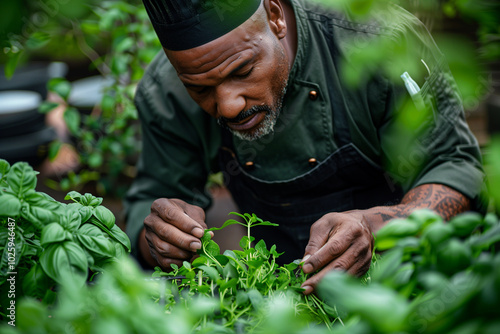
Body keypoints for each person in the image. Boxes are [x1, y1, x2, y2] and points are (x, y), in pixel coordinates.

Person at [125, 0, 486, 294]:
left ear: (275, 16)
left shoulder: (381, 42)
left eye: (242, 70)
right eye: (201, 89)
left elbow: (453, 163)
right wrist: (157, 236)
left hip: (412, 279)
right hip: (284, 293)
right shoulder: (166, 92)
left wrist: (376, 226)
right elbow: (152, 199)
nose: (230, 105)